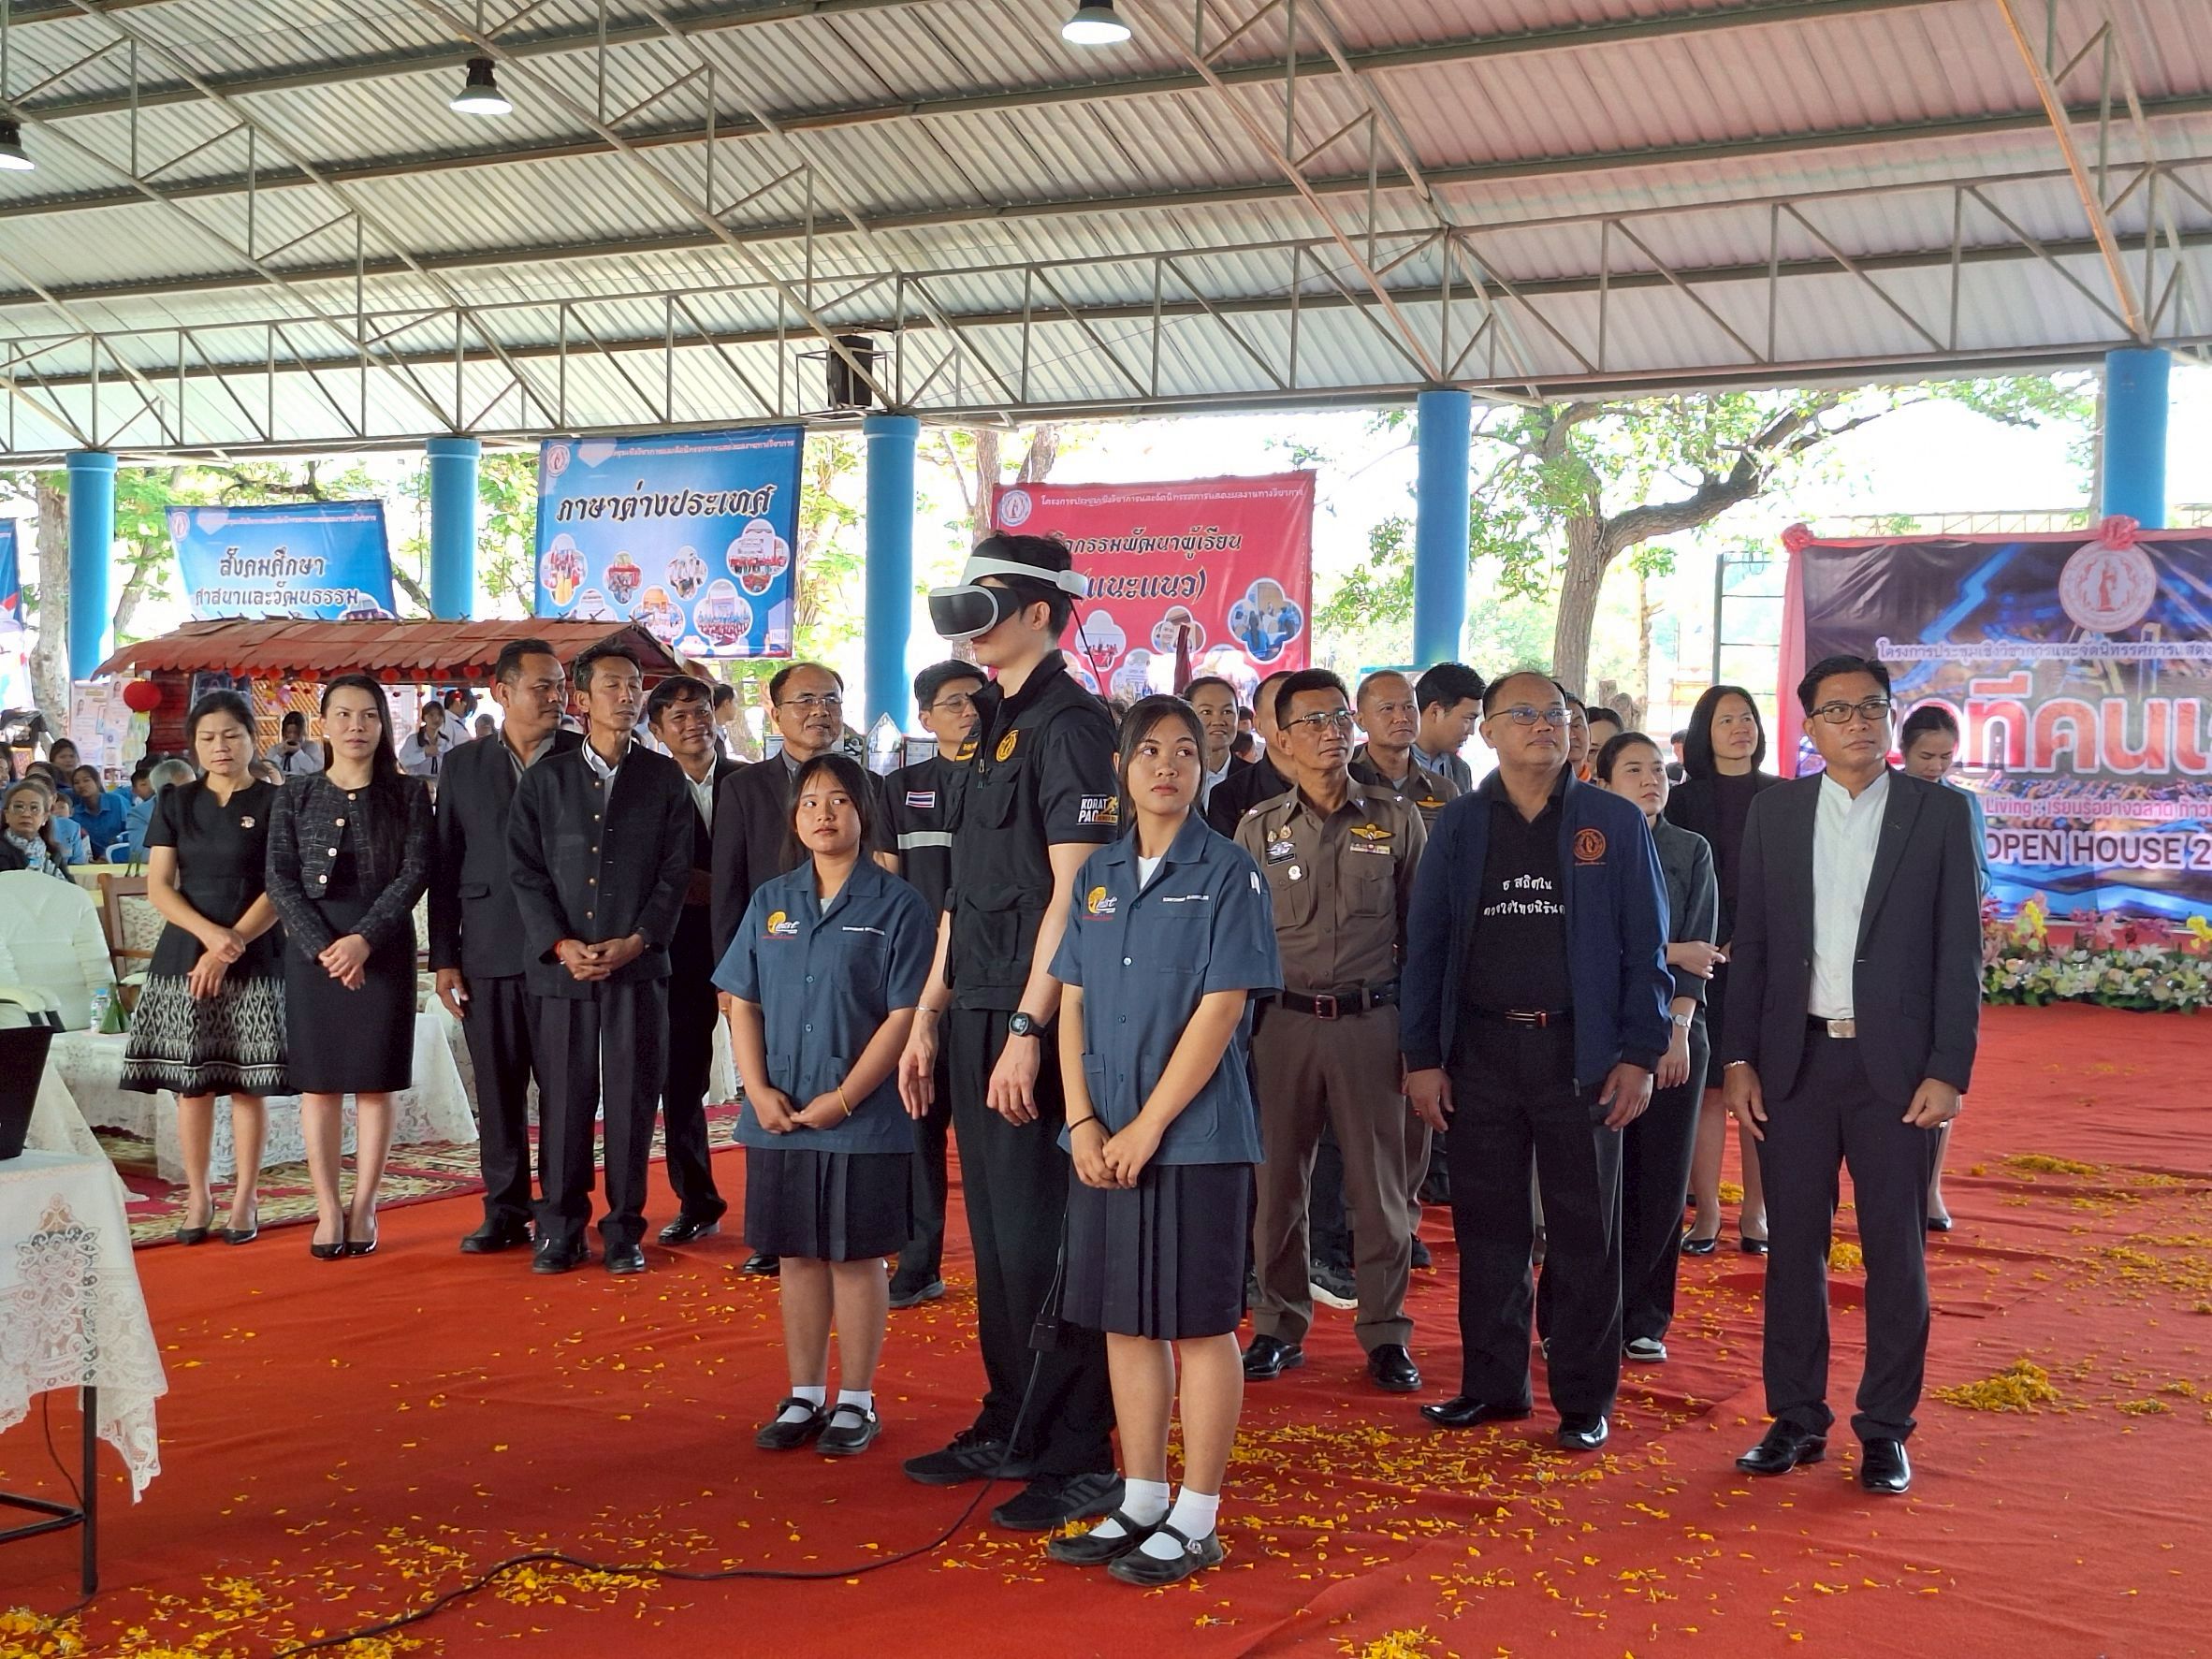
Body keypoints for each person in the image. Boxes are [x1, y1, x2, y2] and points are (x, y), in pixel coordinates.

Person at [895, 533, 1123, 1534]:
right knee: (993, 1238)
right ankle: (1012, 1419)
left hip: (1041, 1011)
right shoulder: (990, 722)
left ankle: (1077, 1449)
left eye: (988, 600)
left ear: (1039, 612)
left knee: (1045, 1236)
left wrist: (1033, 1025)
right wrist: (928, 1014)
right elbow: (960, 893)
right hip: (977, 1003)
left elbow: (1076, 890)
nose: (970, 621)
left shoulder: (1071, 725)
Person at [1724, 655, 1981, 1495]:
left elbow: (1960, 951)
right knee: (1791, 1249)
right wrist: (1739, 1057)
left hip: (1895, 1073)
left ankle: (1885, 1428)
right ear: (1810, 728)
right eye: (1838, 710)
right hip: (1794, 1064)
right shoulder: (1776, 811)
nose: (1858, 722)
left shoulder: (1939, 813)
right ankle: (1796, 1417)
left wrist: (1948, 1069)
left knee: (1894, 1253)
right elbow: (1753, 943)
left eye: (1872, 706)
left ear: (1890, 717)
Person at [1044, 696, 1280, 1587]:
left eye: (1185, 750)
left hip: (1196, 1140)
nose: (1168, 765)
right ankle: (1142, 1496)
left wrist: (1148, 1125)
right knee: (1125, 1319)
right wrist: (1082, 1120)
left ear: (1205, 766)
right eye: (1149, 750)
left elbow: (1222, 1009)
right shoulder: (1097, 875)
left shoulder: (1228, 872)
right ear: (1121, 768)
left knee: (1199, 1324)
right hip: (1103, 1138)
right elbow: (1071, 1001)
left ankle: (1198, 1515)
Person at [1402, 671, 1670, 1452]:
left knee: (1585, 1233)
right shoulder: (1458, 823)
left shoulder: (1612, 821)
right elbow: (1427, 944)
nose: (1544, 725)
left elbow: (1647, 947)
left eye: (1555, 713)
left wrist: (1641, 1053)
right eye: (1523, 713)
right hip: (1481, 1051)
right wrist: (1422, 1056)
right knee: (1488, 1228)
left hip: (1580, 1055)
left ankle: (1584, 1399)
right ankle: (1493, 1385)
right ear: (1488, 731)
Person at [717, 753, 932, 1458]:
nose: (823, 814)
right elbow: (742, 1001)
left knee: (855, 1257)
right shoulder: (771, 900)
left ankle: (856, 1399)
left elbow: (903, 1015)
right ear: (793, 818)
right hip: (779, 1112)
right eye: (810, 802)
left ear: (863, 811)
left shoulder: (897, 905)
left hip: (862, 1116)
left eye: (838, 800)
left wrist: (844, 1098)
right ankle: (804, 1392)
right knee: (798, 1257)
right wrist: (757, 1088)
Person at [1235, 668, 1429, 1396]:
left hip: (1371, 1023)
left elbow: (1423, 936)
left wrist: (1420, 1040)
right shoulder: (1258, 829)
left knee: (1379, 1191)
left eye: (1339, 718)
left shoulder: (1396, 818)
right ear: (1281, 738)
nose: (1330, 732)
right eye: (1312, 721)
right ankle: (1277, 1325)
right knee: (1278, 1185)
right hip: (1283, 1024)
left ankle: (1385, 1331)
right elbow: (1238, 941)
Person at [509, 642, 693, 1277]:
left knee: (633, 1099)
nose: (626, 695)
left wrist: (639, 940)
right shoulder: (546, 780)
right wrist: (561, 943)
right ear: (582, 700)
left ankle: (624, 1230)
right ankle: (560, 1229)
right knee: (563, 1101)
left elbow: (674, 874)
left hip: (637, 967)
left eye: (634, 684)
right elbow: (525, 871)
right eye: (612, 685)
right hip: (562, 970)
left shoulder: (663, 778)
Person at [712, 661, 886, 1276]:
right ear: (775, 710)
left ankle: (857, 1228)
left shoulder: (871, 785)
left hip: (850, 967)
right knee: (774, 1090)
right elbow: (728, 886)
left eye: (831, 699)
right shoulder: (744, 787)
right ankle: (778, 1229)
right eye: (806, 700)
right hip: (771, 964)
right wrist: (728, 982)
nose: (820, 711)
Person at [264, 676, 433, 1260]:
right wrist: (324, 948)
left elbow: (415, 872)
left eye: (368, 716)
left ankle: (365, 1205)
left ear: (383, 724)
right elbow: (279, 878)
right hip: (313, 950)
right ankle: (327, 1208)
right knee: (320, 1085)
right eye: (343, 715)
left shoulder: (408, 794)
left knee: (374, 1081)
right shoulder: (295, 793)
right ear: (324, 724)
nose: (356, 727)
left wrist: (364, 941)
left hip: (382, 946)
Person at [429, 638, 581, 1255]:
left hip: (564, 951)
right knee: (497, 1090)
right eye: (542, 686)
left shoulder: (582, 756)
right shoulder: (463, 766)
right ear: (503, 691)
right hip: (487, 951)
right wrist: (444, 956)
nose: (556, 697)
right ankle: (504, 1209)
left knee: (565, 1093)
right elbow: (444, 865)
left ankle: (562, 1216)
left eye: (561, 687)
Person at [121, 691, 285, 1247]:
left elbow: (279, 887)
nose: (221, 746)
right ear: (193, 745)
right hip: (185, 951)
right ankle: (198, 1195)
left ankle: (245, 1198)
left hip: (255, 950)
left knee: (247, 1085)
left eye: (232, 735)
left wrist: (229, 944)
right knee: (191, 1087)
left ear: (252, 740)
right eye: (208, 737)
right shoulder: (176, 801)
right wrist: (210, 938)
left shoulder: (276, 802)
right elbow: (159, 887)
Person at [1592, 731, 1719, 1363]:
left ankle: (1645, 1317)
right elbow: (1589, 944)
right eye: (1634, 770)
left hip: (1674, 1031)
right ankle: (1578, 1314)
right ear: (1602, 782)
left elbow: (1703, 950)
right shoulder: (1586, 845)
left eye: (1658, 771)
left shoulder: (1690, 849)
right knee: (1591, 1182)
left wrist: (1677, 1028)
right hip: (1601, 1030)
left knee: (1662, 1179)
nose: (1651, 781)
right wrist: (1670, 951)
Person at [880, 659, 985, 1309]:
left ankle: (1009, 1267)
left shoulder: (1004, 778)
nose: (969, 711)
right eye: (954, 702)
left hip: (988, 984)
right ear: (924, 717)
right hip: (918, 985)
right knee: (917, 1128)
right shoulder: (901, 788)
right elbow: (887, 886)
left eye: (978, 700)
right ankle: (918, 1262)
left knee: (987, 1133)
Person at [1665, 684, 1783, 1255]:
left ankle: (1756, 1211)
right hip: (1703, 961)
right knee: (1709, 1092)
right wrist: (1716, 939)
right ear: (1703, 733)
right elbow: (1681, 884)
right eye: (1726, 720)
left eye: (1748, 717)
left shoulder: (1783, 795)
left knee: (1761, 1090)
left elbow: (1792, 882)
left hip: (1768, 962)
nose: (1741, 728)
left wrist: (1752, 938)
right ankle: (1707, 1211)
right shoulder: (1682, 801)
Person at [644, 674, 736, 1247]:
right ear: (657, 730)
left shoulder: (749, 780)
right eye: (678, 717)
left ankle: (789, 1200)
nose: (694, 724)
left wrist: (714, 886)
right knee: (680, 1080)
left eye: (701, 711)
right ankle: (697, 1200)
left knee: (779, 1072)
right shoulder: (645, 788)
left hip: (755, 942)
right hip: (679, 952)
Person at [1897, 704, 1991, 1234]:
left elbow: (1981, 875)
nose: (1935, 767)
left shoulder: (1963, 804)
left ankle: (1931, 1186)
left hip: (1941, 949)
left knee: (1940, 1069)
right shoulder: (1885, 798)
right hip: (1890, 953)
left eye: (1945, 757)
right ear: (1903, 751)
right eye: (1926, 756)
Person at [1348, 670, 1458, 828]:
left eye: (1409, 707)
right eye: (1387, 708)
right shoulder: (1345, 782)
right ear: (1360, 721)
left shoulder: (1444, 790)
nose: (1402, 718)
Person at [1202, 668, 1293, 837]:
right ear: (1258, 725)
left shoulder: (1343, 783)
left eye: (1311, 717)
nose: (1218, 721)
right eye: (1282, 715)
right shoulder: (1229, 794)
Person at [1413, 663, 1484, 793]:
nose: (1471, 731)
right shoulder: (1388, 765)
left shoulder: (1461, 771)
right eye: (1468, 719)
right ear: (1435, 711)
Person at [1183, 676, 1247, 810]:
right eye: (1206, 712)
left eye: (1227, 712)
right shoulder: (1175, 776)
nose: (1218, 721)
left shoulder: (1255, 779)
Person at [126, 758, 197, 862]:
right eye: (186, 789)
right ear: (165, 791)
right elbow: (142, 853)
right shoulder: (140, 814)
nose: (193, 793)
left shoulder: (204, 806)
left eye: (195, 786)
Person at [0, 779, 72, 879]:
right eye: (18, 807)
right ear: (7, 815)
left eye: (34, 808)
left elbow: (70, 886)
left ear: (45, 817)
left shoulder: (53, 852)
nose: (26, 814)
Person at [70, 765, 129, 857]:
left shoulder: (117, 801)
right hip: (94, 862)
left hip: (124, 857)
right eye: (76, 782)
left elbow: (131, 832)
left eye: (86, 780)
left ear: (97, 782)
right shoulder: (75, 814)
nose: (81, 785)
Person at [398, 700, 455, 779]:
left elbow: (453, 764)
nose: (436, 719)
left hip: (440, 782)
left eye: (440, 715)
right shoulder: (413, 740)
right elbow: (403, 761)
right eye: (431, 715)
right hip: (417, 781)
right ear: (424, 717)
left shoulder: (446, 742)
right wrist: (424, 754)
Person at [269, 712, 325, 779]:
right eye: (289, 732)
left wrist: (299, 753)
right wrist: (279, 755)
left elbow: (317, 771)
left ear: (302, 732)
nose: (292, 736)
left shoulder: (312, 748)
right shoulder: (275, 749)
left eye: (296, 733)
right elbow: (267, 771)